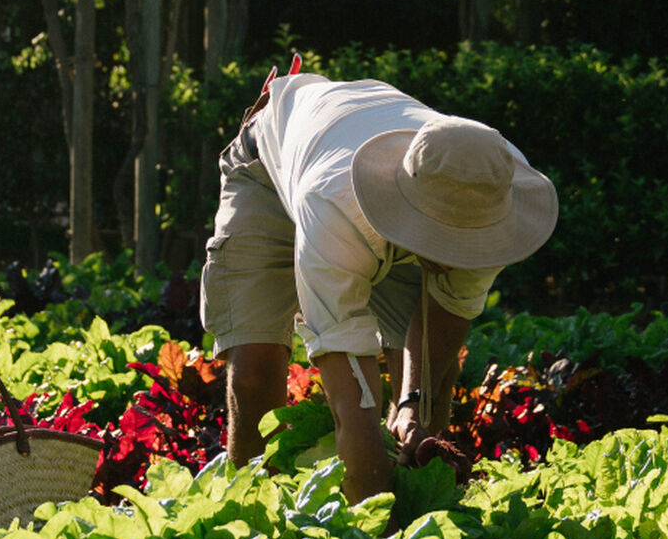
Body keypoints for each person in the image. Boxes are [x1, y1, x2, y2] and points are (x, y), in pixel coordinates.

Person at [200, 66, 558, 499]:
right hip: (269, 167)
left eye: (467, 243)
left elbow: (444, 322)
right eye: (446, 241)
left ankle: (418, 498)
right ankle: (251, 521)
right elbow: (351, 401)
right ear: (412, 213)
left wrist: (412, 406)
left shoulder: (487, 189)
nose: (458, 255)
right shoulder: (336, 208)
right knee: (254, 370)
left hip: (359, 155)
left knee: (431, 385)